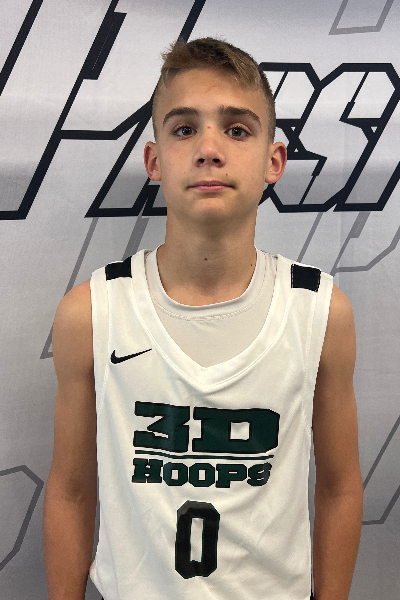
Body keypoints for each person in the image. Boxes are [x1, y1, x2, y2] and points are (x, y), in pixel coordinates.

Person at [43, 37, 364, 600]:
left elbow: (339, 488)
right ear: (154, 160)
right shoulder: (91, 312)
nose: (209, 149)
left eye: (237, 130)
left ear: (274, 161)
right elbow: (70, 491)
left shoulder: (319, 311)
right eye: (185, 128)